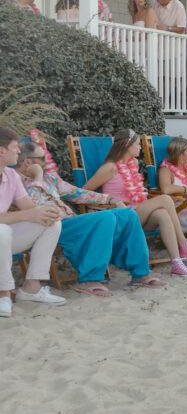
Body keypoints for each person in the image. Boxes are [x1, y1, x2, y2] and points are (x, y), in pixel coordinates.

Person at [16, 142, 164, 296]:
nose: (47, 161)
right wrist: (37, 177)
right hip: (50, 226)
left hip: (71, 222)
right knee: (105, 218)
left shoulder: (50, 178)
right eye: (43, 158)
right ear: (28, 162)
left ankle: (141, 273)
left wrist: (110, 199)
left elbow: (77, 193)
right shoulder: (17, 182)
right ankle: (89, 280)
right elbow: (31, 206)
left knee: (128, 214)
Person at [83, 129, 187, 277]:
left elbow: (137, 193)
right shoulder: (110, 168)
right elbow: (85, 191)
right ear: (126, 145)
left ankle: (177, 263)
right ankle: (184, 245)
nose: (139, 147)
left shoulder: (134, 164)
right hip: (120, 216)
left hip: (136, 213)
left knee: (162, 214)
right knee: (165, 199)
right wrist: (111, 201)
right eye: (137, 144)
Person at [0, 129, 65, 317]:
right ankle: (3, 294)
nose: (19, 152)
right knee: (2, 230)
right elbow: (25, 215)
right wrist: (30, 214)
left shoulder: (11, 176)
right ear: (1, 151)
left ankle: (31, 288)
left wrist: (46, 212)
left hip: (4, 240)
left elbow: (29, 209)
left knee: (50, 223)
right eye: (15, 148)